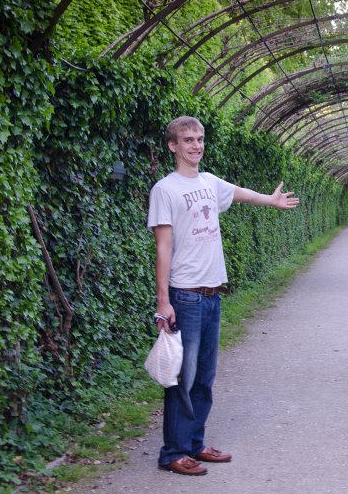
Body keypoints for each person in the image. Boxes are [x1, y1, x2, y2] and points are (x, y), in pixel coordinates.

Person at [147, 116, 300, 476]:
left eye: (199, 139)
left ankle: (195, 444)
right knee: (183, 378)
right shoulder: (165, 190)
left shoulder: (209, 182)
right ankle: (173, 452)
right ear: (173, 146)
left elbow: (238, 193)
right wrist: (163, 300)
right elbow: (163, 247)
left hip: (213, 294)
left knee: (204, 377)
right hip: (185, 296)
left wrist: (271, 201)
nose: (196, 145)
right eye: (187, 140)